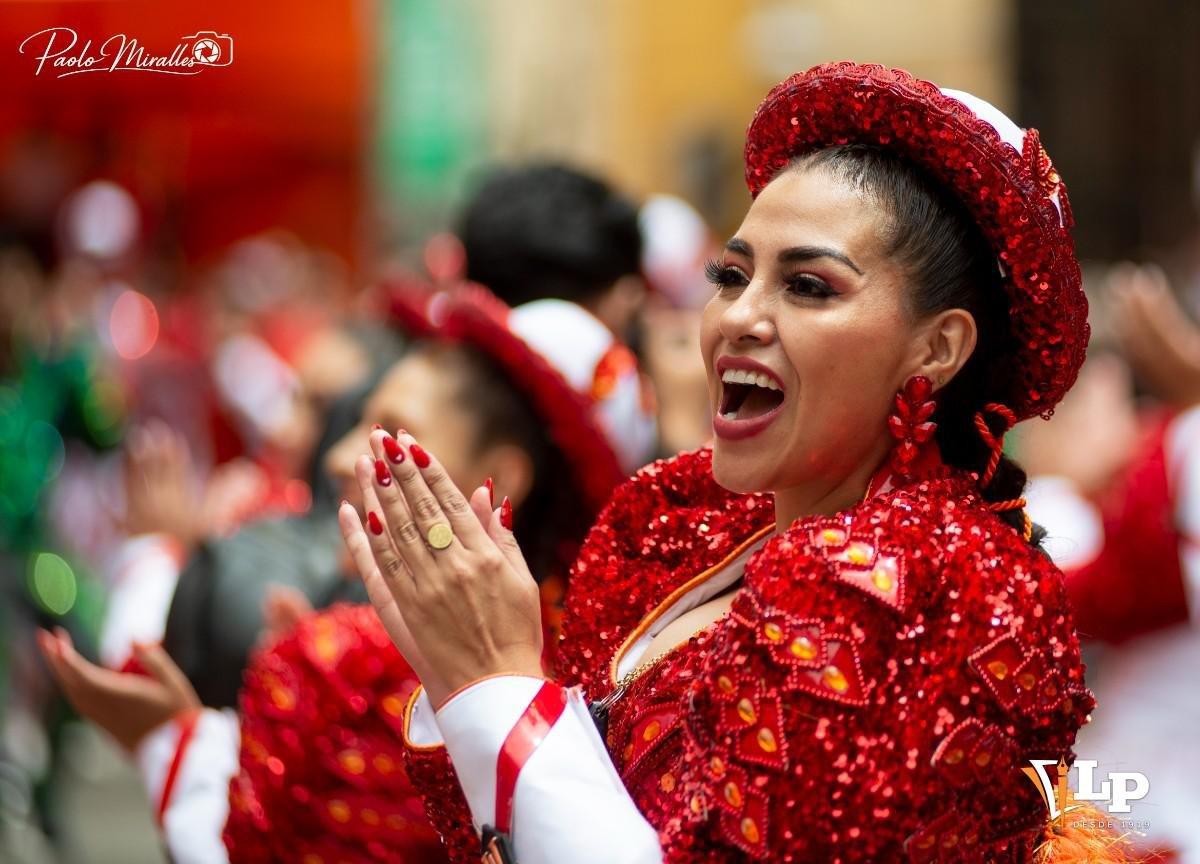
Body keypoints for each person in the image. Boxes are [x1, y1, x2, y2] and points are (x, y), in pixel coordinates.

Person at [338, 63, 1113, 863]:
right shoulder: (681, 523)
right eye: (731, 276)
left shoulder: (940, 583)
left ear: (939, 347)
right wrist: (460, 675)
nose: (739, 317)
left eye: (809, 286)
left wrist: (496, 684)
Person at [40, 283, 638, 863]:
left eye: (391, 432)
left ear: (502, 479)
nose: (335, 458)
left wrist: (177, 743)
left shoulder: (347, 666)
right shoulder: (597, 666)